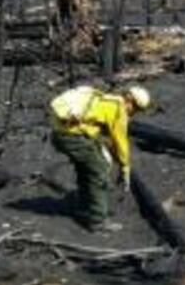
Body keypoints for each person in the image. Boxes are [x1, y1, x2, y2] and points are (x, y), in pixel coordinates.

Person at [48, 84, 153, 233]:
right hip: (72, 137)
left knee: (86, 167)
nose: (134, 112)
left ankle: (85, 208)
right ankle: (98, 221)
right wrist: (125, 167)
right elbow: (120, 142)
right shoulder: (118, 110)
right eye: (136, 108)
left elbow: (103, 135)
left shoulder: (107, 100)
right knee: (99, 171)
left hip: (62, 133)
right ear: (129, 100)